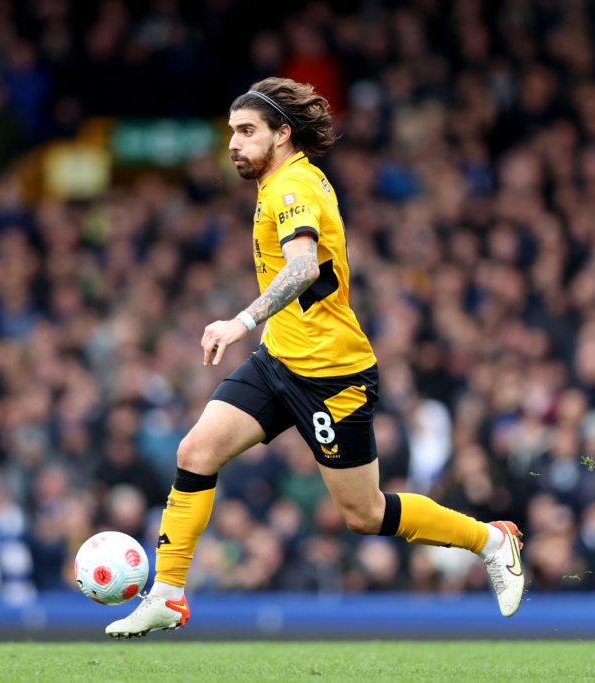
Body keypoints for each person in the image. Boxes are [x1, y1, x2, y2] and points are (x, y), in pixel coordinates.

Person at [105, 77, 525, 639]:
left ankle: (493, 541)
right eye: (231, 131)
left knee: (364, 514)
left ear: (283, 134)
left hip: (331, 375)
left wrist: (240, 322)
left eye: (247, 131)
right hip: (280, 359)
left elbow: (302, 268)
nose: (233, 142)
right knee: (196, 450)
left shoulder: (293, 188)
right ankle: (168, 595)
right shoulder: (276, 181)